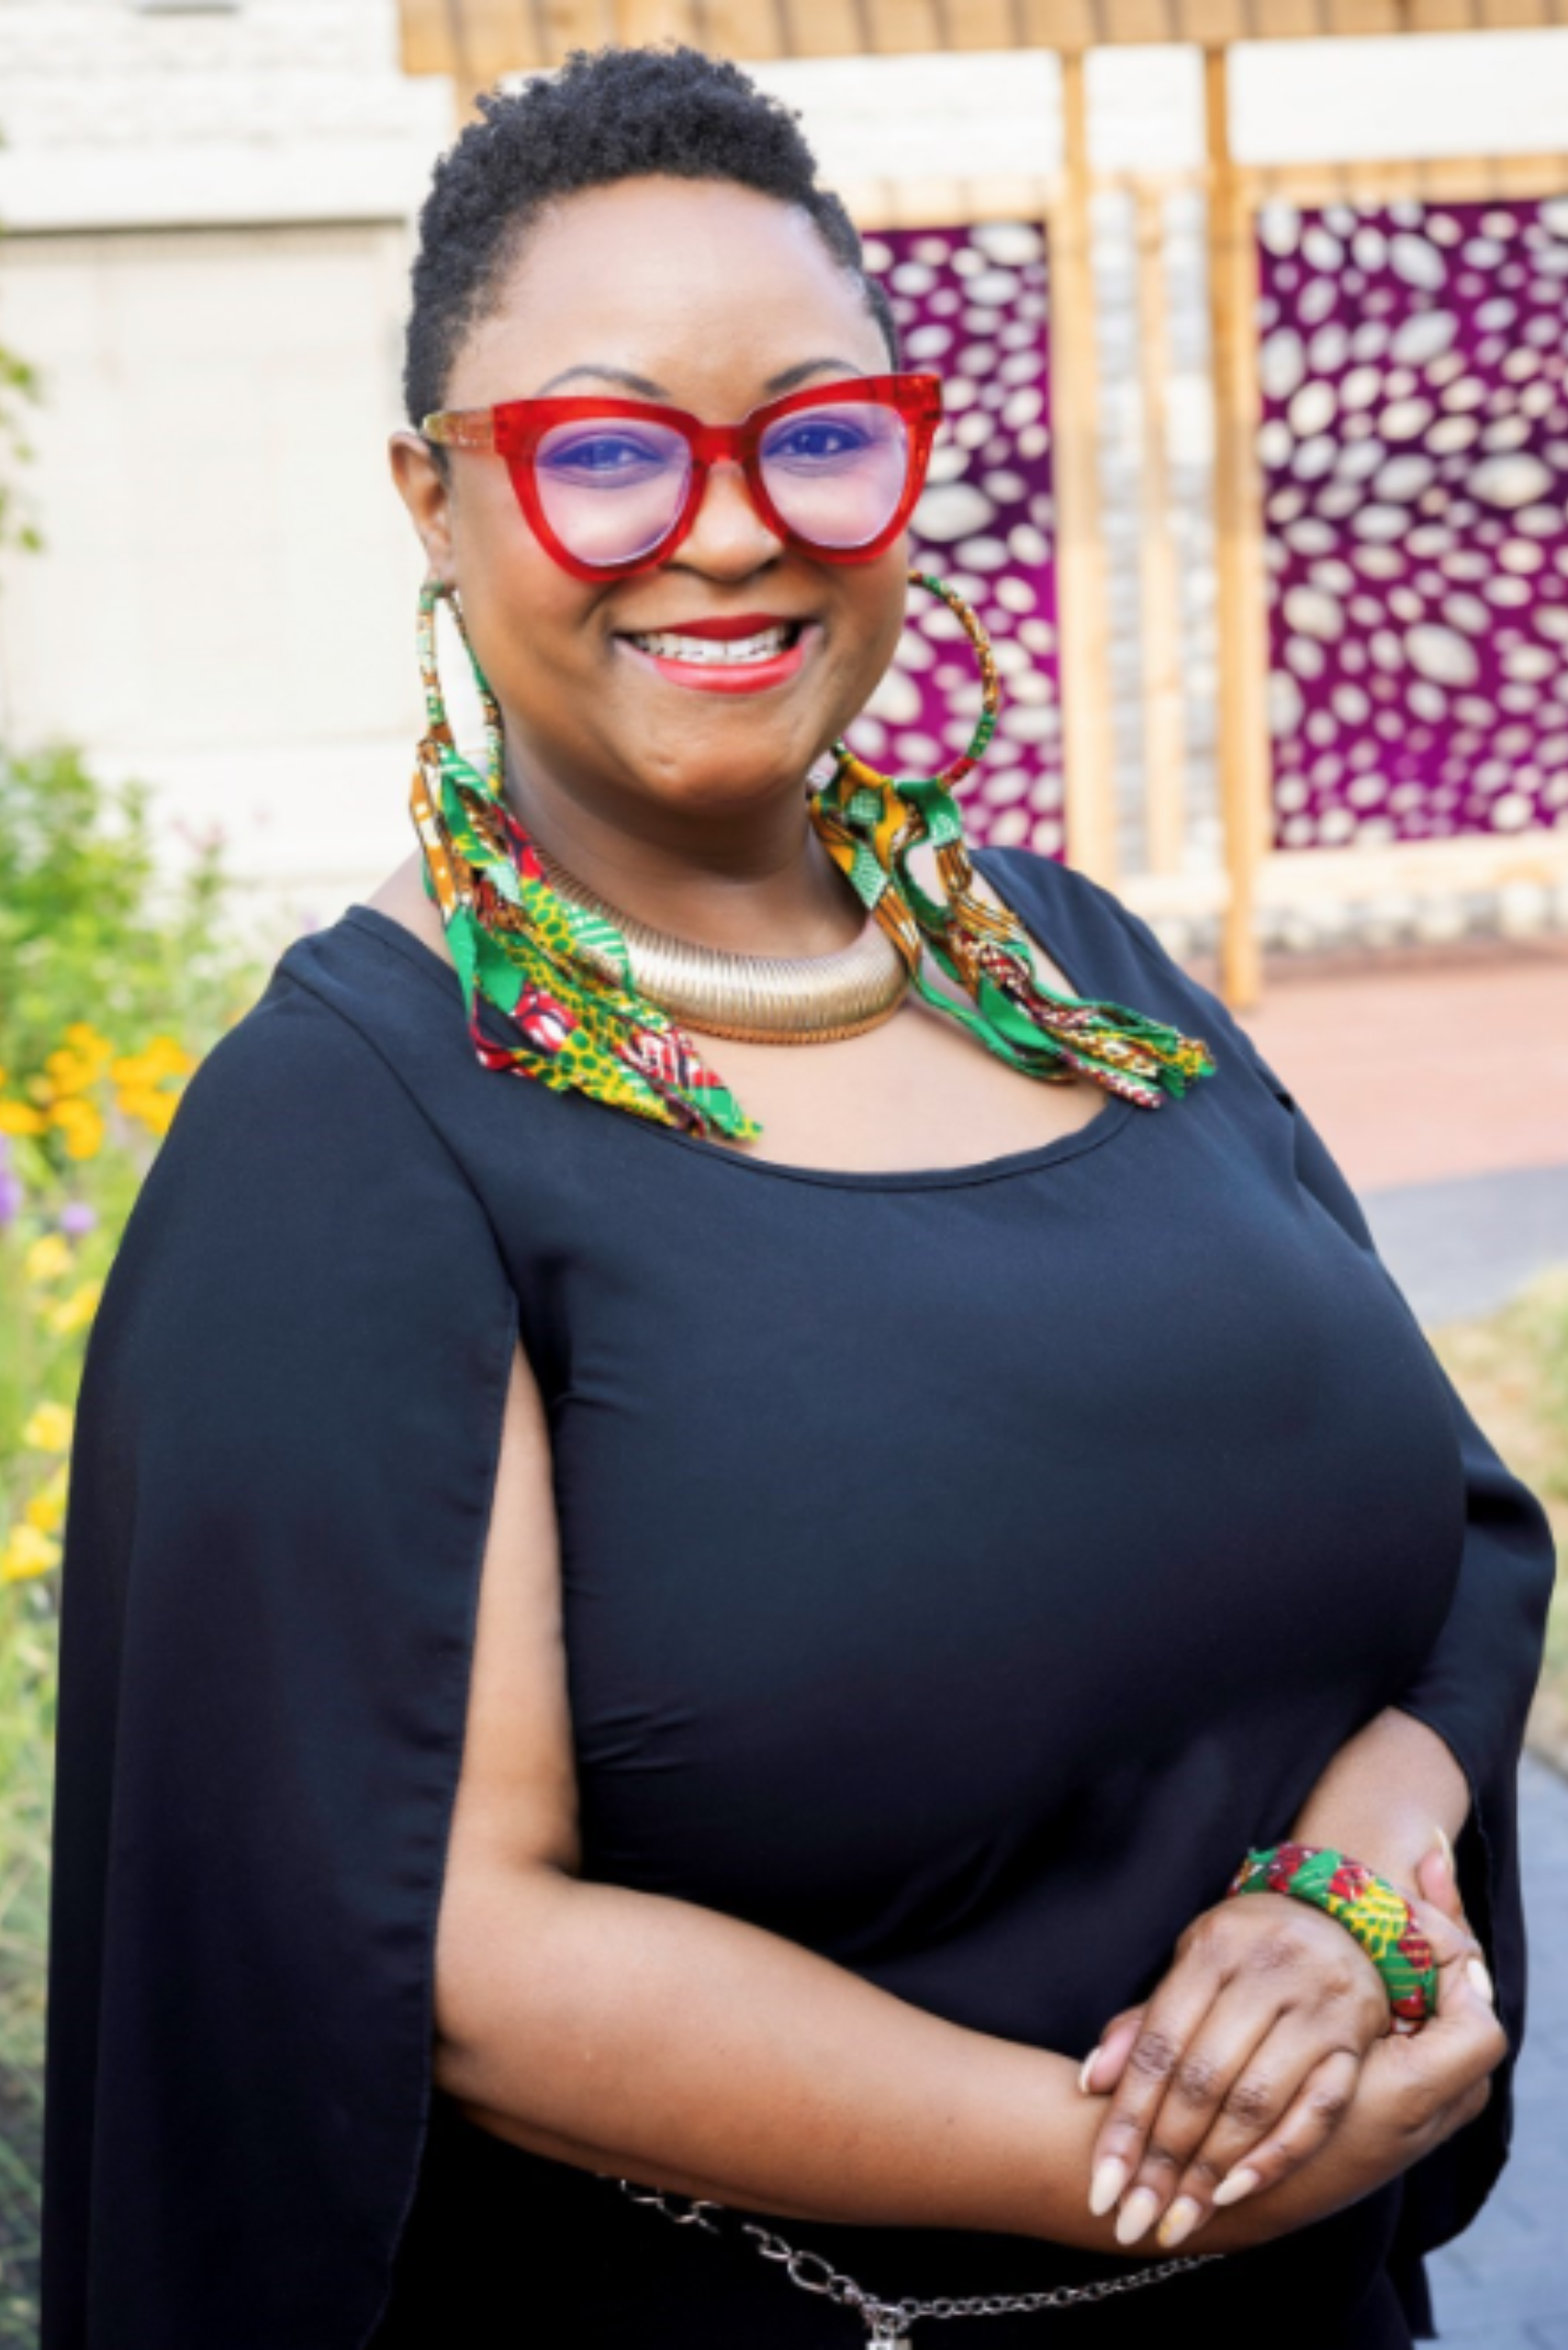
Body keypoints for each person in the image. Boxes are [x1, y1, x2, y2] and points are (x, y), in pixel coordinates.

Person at [39, 45, 1555, 2350]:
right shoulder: (356, 1132)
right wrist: (1150, 2163)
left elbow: (1447, 1532)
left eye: (817, 432)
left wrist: (1344, 1893)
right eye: (605, 449)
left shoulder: (1077, 966)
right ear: (432, 498)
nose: (733, 526)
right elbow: (451, 1944)